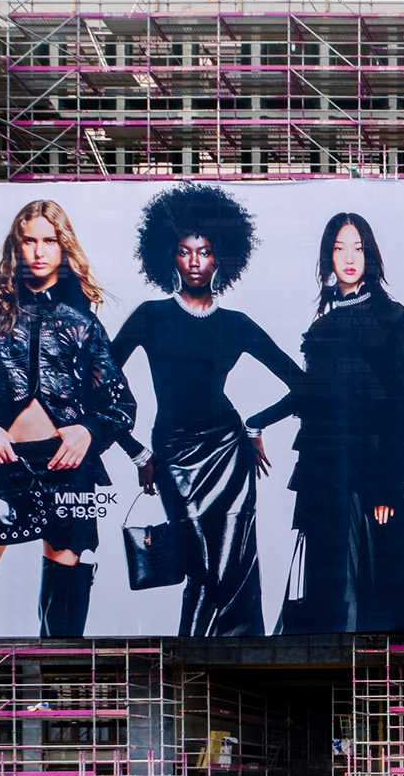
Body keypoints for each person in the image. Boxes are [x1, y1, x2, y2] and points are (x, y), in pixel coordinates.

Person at [0, 200, 137, 638]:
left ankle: (54, 702)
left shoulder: (81, 320)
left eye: (50, 241)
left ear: (63, 248)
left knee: (63, 611)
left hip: (66, 469)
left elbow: (120, 405)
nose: (39, 251)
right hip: (4, 463)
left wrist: (88, 430)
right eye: (29, 240)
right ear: (15, 246)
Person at [112, 183, 303, 637]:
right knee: (200, 568)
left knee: (233, 567)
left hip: (229, 453)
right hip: (175, 454)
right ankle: (190, 664)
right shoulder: (149, 315)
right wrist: (136, 452)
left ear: (221, 258)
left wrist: (254, 425)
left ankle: (235, 659)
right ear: (169, 256)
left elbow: (304, 385)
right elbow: (97, 384)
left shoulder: (235, 324)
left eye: (205, 252)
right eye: (184, 251)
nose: (195, 261)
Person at [253, 212, 404, 634]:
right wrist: (256, 423)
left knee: (382, 595)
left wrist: (386, 487)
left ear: (370, 255)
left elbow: (398, 408)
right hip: (325, 477)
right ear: (328, 258)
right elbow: (309, 396)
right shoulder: (320, 328)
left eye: (357, 247)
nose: (349, 257)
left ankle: (395, 693)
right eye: (340, 248)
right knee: (328, 590)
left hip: (373, 479)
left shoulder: (394, 319)